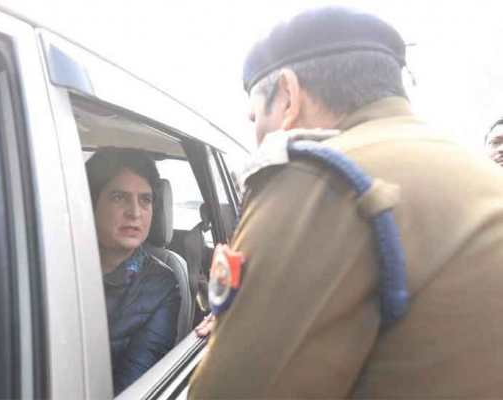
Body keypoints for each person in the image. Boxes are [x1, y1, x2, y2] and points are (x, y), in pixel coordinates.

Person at [190, 6, 503, 399]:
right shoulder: (476, 171)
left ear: (288, 95)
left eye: (255, 117)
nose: (256, 133)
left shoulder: (324, 179)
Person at [86, 148, 180, 395]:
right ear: (90, 202)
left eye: (145, 200)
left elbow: (133, 387)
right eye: (119, 197)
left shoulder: (161, 286)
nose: (135, 213)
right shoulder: (55, 262)